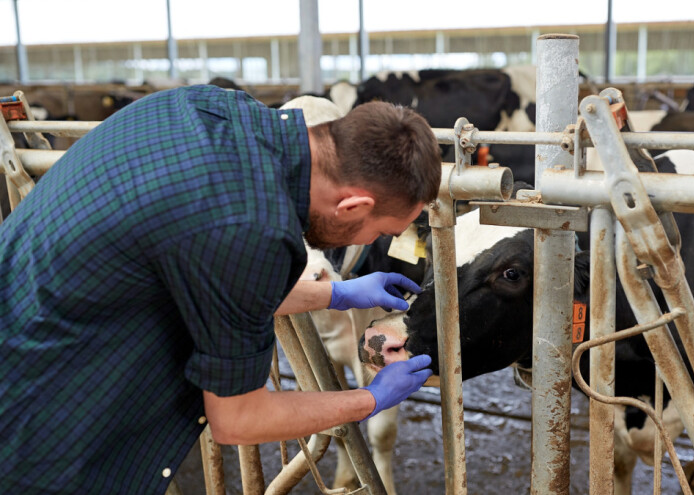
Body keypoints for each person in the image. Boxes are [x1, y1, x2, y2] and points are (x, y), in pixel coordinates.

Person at [0, 85, 441, 494]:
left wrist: (336, 295)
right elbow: (238, 419)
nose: (369, 245)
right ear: (353, 206)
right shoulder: (254, 227)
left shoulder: (211, 107)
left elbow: (213, 282)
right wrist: (369, 398)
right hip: (43, 436)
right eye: (380, 231)